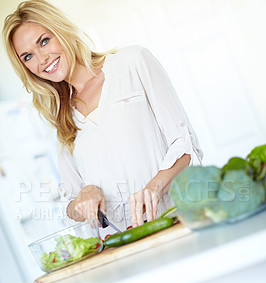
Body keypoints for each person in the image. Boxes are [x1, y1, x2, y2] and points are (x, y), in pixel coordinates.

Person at [3, 0, 203, 237]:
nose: (42, 59)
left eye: (44, 41)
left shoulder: (132, 62)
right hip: (120, 242)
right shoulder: (61, 114)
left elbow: (186, 144)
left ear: (61, 30)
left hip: (179, 221)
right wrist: (84, 198)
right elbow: (70, 204)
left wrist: (154, 188)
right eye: (28, 57)